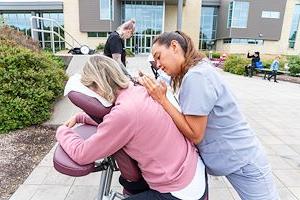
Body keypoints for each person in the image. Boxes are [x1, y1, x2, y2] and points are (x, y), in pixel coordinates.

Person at [139, 31, 279, 200]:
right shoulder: (197, 68)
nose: (158, 64)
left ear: (174, 46)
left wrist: (162, 100)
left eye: (159, 56)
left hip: (244, 161)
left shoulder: (196, 76)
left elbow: (195, 134)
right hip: (238, 158)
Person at [56, 55, 208, 200]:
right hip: (193, 169)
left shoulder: (123, 112)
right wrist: (80, 117)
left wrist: (62, 131)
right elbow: (122, 124)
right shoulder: (138, 90)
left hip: (180, 191)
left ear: (97, 85)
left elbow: (82, 154)